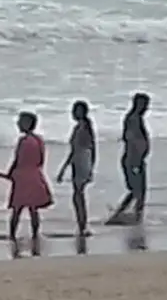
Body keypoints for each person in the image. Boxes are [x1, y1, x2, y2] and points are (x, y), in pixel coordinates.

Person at [6, 111, 52, 242]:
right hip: (36, 174)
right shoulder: (39, 140)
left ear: (26, 124)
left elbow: (17, 159)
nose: (17, 123)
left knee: (17, 209)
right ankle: (35, 234)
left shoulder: (23, 141)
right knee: (33, 209)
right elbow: (42, 159)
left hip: (22, 176)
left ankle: (12, 234)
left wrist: (10, 173)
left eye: (20, 121)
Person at [107, 92, 151, 225]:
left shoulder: (135, 118)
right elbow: (131, 139)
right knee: (138, 190)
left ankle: (123, 213)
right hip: (133, 159)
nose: (147, 108)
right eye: (145, 105)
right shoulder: (133, 119)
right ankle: (133, 216)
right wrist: (136, 161)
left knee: (136, 190)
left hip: (135, 159)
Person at [57, 100, 97, 237]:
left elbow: (76, 150)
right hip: (83, 159)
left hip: (81, 160)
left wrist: (63, 168)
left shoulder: (81, 128)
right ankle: (82, 224)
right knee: (79, 194)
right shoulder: (85, 127)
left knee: (78, 195)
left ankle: (82, 224)